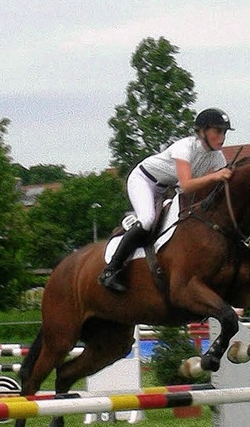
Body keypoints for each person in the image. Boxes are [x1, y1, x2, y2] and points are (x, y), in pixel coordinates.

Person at [99, 107, 235, 293]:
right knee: (147, 220)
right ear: (203, 131)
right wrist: (215, 176)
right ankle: (111, 270)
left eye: (224, 132)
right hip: (144, 180)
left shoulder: (217, 158)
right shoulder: (185, 147)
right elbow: (187, 185)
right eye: (218, 131)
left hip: (166, 189)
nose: (222, 137)